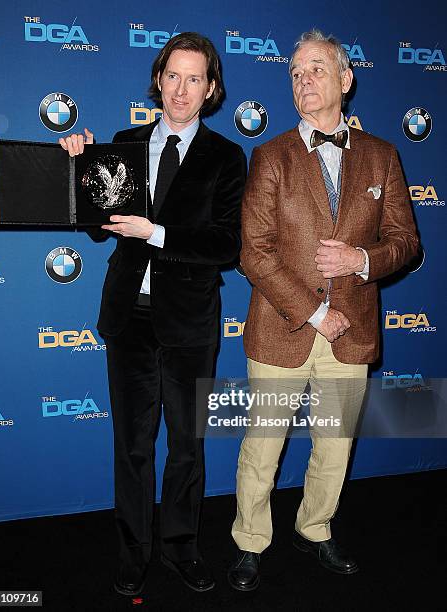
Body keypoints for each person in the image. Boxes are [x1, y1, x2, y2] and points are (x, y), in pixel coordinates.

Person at [227, 28, 419, 591]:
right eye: (294, 73)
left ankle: (315, 528)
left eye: (315, 68)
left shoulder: (383, 155)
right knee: (262, 449)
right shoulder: (270, 155)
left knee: (333, 450)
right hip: (283, 328)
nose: (304, 79)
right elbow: (253, 252)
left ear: (345, 79)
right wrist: (314, 312)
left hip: (351, 333)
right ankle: (250, 540)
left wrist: (361, 258)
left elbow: (406, 243)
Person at [59, 32, 247, 595]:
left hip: (190, 325)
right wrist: (82, 167)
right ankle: (132, 551)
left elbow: (226, 245)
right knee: (133, 446)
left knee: (187, 446)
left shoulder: (226, 157)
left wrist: (156, 232)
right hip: (129, 321)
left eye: (195, 78)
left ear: (211, 89)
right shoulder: (124, 143)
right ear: (158, 81)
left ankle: (181, 547)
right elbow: (95, 227)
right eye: (173, 76)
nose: (181, 89)